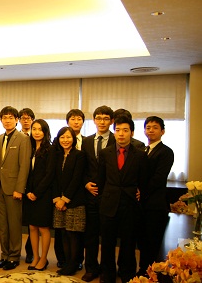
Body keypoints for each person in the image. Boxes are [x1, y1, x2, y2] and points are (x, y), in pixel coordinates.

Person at [98, 115, 148, 283]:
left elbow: (143, 180)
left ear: (131, 133)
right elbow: (101, 178)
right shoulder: (105, 153)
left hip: (130, 203)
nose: (121, 134)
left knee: (128, 242)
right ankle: (108, 273)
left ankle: (127, 272)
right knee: (107, 242)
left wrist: (141, 191)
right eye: (117, 130)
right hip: (109, 202)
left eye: (125, 130)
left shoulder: (140, 155)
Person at [0, 106, 32, 271]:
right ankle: (4, 255)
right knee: (2, 225)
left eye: (11, 117)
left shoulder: (23, 138)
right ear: (1, 120)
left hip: (14, 188)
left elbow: (24, 166)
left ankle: (14, 256)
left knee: (14, 224)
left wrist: (20, 188)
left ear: (17, 120)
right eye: (4, 117)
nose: (7, 120)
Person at [80, 105, 115, 282]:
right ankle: (91, 268)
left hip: (109, 195)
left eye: (106, 118)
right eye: (98, 118)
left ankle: (108, 271)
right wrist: (86, 183)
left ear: (111, 121)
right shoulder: (86, 141)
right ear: (94, 120)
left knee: (108, 236)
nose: (102, 122)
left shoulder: (117, 140)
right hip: (90, 195)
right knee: (91, 234)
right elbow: (83, 166)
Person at [137, 116, 174, 276]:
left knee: (153, 242)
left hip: (155, 204)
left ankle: (151, 273)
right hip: (142, 204)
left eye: (155, 127)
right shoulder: (144, 150)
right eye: (148, 127)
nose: (151, 130)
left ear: (162, 131)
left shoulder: (166, 152)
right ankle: (143, 270)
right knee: (143, 241)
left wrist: (141, 191)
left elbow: (158, 178)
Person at [54, 108, 85, 270]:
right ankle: (65, 262)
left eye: (68, 137)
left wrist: (65, 199)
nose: (65, 140)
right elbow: (54, 178)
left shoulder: (79, 155)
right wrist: (57, 199)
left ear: (73, 139)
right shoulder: (57, 155)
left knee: (74, 234)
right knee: (63, 233)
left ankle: (73, 264)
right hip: (58, 201)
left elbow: (76, 180)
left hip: (74, 201)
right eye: (62, 137)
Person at [24, 119, 55, 271]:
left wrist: (36, 193)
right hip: (29, 194)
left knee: (43, 228)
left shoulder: (50, 149)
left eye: (40, 129)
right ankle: (35, 256)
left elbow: (49, 175)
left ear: (45, 132)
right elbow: (27, 172)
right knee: (32, 227)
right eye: (34, 129)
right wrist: (28, 191)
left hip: (43, 195)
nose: (36, 132)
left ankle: (44, 258)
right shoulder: (29, 148)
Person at [18, 107, 35, 264]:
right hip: (17, 183)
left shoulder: (36, 137)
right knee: (16, 219)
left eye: (29, 118)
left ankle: (30, 251)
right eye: (23, 118)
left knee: (31, 220)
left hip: (32, 184)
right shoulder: (14, 137)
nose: (26, 120)